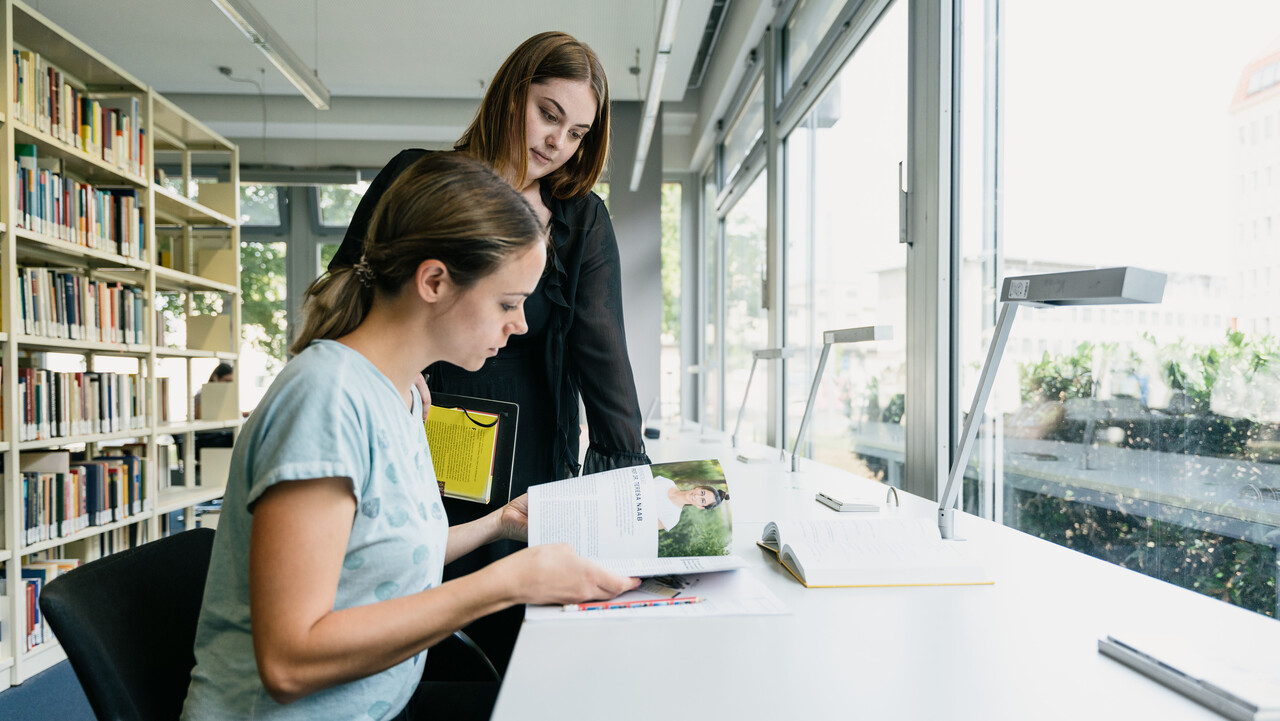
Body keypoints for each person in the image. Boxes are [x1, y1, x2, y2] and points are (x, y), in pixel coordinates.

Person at [180, 153, 638, 721]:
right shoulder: (326, 400)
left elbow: (383, 555)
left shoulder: (402, 395)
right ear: (435, 281)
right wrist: (505, 584)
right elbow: (288, 662)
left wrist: (500, 524)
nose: (520, 325)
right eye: (507, 303)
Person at [329, 30, 651, 669]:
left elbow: (602, 353)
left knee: (516, 624)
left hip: (531, 433)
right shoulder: (419, 179)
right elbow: (348, 286)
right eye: (548, 113)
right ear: (511, 94)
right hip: (423, 415)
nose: (558, 142)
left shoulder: (581, 217)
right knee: (405, 579)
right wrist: (379, 368)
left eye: (578, 132)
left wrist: (628, 490)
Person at [651, 477, 730, 531]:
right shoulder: (666, 482)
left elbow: (645, 526)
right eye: (702, 493)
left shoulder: (672, 519)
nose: (696, 496)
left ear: (700, 506)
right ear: (698, 487)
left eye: (702, 500)